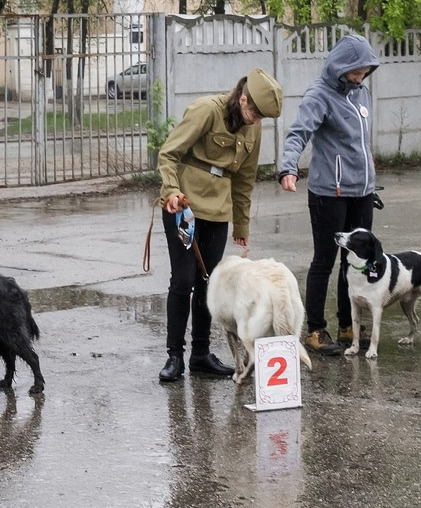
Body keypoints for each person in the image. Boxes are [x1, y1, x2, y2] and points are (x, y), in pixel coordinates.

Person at [157, 70, 283, 382]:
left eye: (261, 118)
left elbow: (244, 179)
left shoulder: (254, 127)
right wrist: (171, 191)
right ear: (242, 98)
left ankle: (201, 354)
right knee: (183, 279)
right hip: (183, 207)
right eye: (253, 112)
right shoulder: (206, 110)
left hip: (217, 211)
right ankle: (175, 355)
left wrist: (241, 224)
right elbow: (169, 153)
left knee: (208, 283)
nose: (255, 121)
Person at [278, 33, 380, 356]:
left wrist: (370, 181)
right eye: (356, 71)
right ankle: (316, 329)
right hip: (329, 192)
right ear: (341, 66)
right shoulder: (319, 95)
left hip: (362, 191)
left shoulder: (361, 94)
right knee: (325, 260)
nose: (360, 76)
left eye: (365, 71)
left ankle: (348, 324)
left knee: (355, 262)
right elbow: (298, 133)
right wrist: (288, 167)